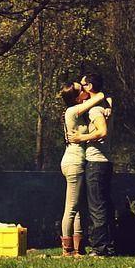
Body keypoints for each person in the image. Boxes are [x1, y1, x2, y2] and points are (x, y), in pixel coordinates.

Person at [58, 81, 107, 256]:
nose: (85, 90)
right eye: (81, 89)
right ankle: (67, 249)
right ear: (77, 98)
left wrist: (108, 109)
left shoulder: (78, 112)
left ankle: (78, 248)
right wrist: (97, 94)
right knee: (71, 207)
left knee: (78, 207)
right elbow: (100, 96)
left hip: (77, 161)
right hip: (73, 162)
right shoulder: (72, 111)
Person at [69, 72, 115, 257]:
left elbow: (102, 132)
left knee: (96, 207)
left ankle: (100, 248)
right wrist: (109, 104)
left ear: (89, 87)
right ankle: (108, 246)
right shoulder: (103, 105)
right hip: (104, 162)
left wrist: (81, 137)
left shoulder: (95, 110)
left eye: (83, 85)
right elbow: (107, 98)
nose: (81, 88)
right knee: (103, 205)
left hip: (96, 161)